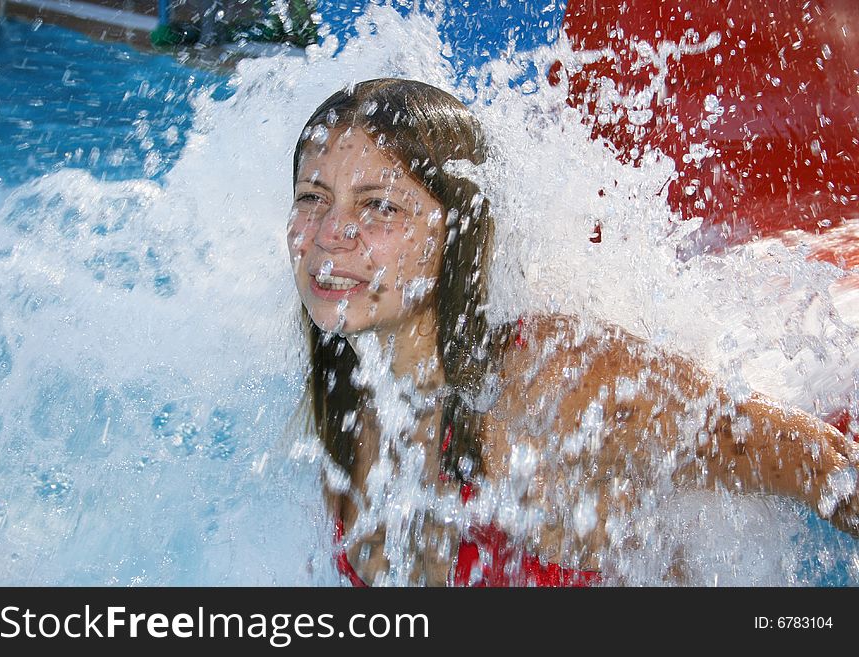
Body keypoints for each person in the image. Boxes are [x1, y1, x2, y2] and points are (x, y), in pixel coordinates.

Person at [286, 77, 859, 586]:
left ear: (457, 229)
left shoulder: (553, 385)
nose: (331, 234)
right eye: (312, 198)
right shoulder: (349, 406)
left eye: (380, 205)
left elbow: (821, 464)